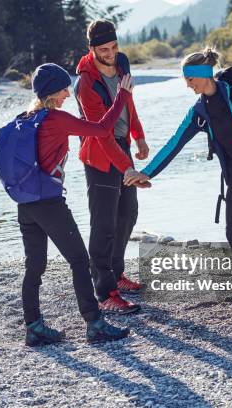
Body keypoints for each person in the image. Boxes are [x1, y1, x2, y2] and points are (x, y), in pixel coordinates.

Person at [125, 48, 232, 314]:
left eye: (189, 80)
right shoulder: (199, 110)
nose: (187, 85)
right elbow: (175, 141)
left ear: (202, 75)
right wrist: (147, 173)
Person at [17, 63, 134, 346]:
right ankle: (95, 324)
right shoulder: (55, 119)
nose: (68, 93)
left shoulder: (24, 118)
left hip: (25, 204)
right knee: (80, 261)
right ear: (52, 92)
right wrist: (122, 95)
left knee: (35, 265)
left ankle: (33, 327)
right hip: (49, 203)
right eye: (64, 89)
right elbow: (102, 128)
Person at [74, 19, 149, 314]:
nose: (110, 53)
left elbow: (129, 105)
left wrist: (138, 136)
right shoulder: (85, 84)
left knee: (128, 213)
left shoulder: (121, 65)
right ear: (91, 49)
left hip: (123, 148)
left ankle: (117, 274)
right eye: (104, 49)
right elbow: (100, 133)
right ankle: (105, 291)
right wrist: (126, 167)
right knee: (104, 223)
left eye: (114, 47)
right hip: (99, 154)